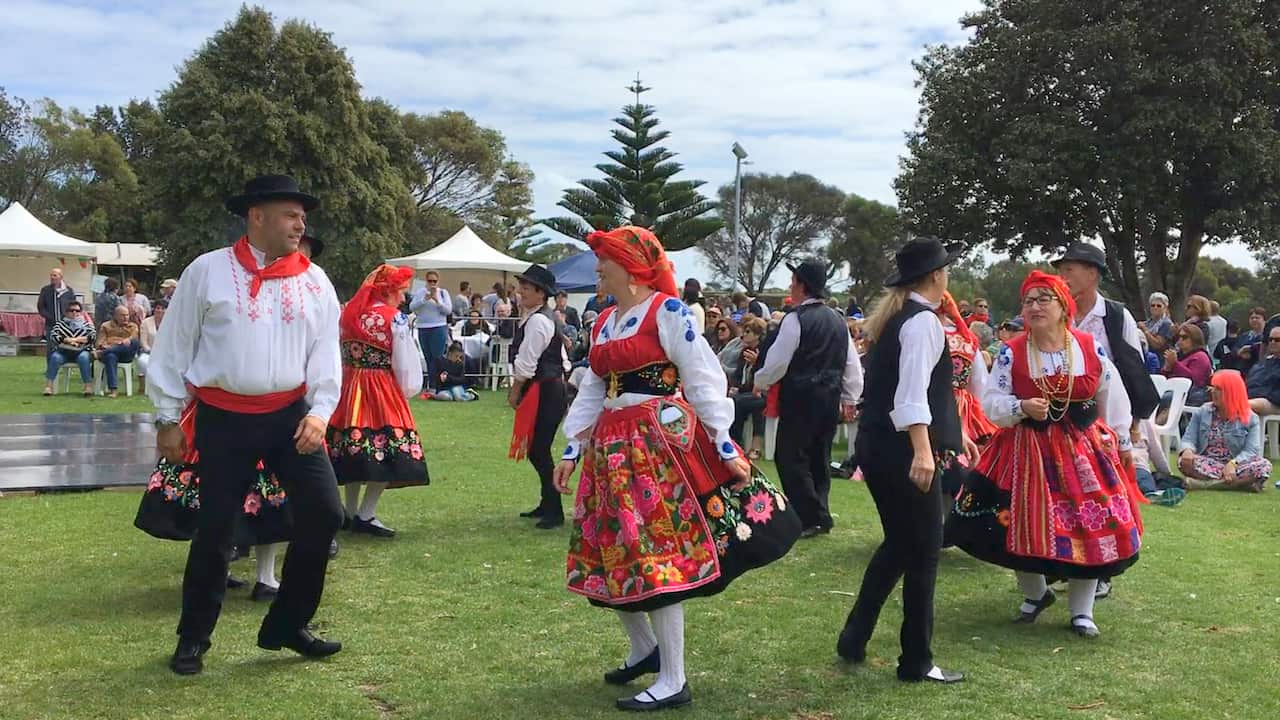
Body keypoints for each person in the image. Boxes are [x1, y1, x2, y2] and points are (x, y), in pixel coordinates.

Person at [552, 225, 800, 712]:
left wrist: (725, 443)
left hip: (656, 446)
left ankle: (673, 678)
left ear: (631, 266)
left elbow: (703, 376)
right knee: (613, 549)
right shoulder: (605, 322)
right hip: (612, 449)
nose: (598, 267)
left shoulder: (668, 312)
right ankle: (646, 649)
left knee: (656, 555)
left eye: (605, 259)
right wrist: (571, 448)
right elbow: (593, 389)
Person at [147, 174, 344, 675]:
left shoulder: (315, 280)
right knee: (216, 529)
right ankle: (193, 637)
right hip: (224, 418)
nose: (301, 224)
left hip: (291, 417)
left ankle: (287, 624)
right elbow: (174, 345)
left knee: (324, 513)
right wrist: (168, 418)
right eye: (290, 214)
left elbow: (326, 353)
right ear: (256, 216)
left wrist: (321, 412)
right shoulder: (207, 271)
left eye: (303, 216)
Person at [947, 270, 1142, 640]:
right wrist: (1021, 406)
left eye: (1043, 299)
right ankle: (1036, 594)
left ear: (1063, 307)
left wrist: (1120, 440)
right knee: (1016, 522)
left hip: (1082, 452)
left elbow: (1111, 397)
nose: (1034, 307)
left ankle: (1082, 612)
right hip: (1026, 451)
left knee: (1090, 525)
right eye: (1028, 301)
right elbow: (990, 403)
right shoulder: (1012, 351)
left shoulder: (1087, 346)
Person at [836, 238, 968, 684]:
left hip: (878, 448)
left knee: (898, 545)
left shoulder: (898, 319)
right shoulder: (922, 323)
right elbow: (910, 395)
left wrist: (952, 436)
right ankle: (916, 660)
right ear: (936, 276)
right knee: (923, 552)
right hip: (902, 451)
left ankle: (855, 637)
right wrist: (925, 451)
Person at [754, 259, 864, 539]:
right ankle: (819, 512)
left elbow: (778, 361)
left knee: (790, 456)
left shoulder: (795, 319)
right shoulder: (838, 320)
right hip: (829, 398)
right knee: (819, 456)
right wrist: (851, 396)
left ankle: (810, 516)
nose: (791, 285)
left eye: (794, 281)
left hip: (801, 397)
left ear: (802, 285)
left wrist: (760, 380)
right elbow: (851, 364)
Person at [327, 264, 428, 541]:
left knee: (353, 450)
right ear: (390, 290)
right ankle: (366, 513)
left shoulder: (348, 314)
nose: (404, 298)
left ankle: (348, 511)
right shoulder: (394, 319)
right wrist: (406, 389)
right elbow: (405, 363)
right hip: (380, 388)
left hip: (349, 388)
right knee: (388, 449)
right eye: (401, 291)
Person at [509, 264, 571, 529]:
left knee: (539, 449)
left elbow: (527, 362)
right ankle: (547, 503)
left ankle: (554, 509)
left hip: (545, 389)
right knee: (538, 449)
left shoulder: (538, 320)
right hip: (549, 386)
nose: (521, 291)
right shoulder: (540, 317)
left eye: (526, 287)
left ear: (540, 293)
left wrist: (515, 391)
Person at [937, 293, 997, 486]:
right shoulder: (967, 339)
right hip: (965, 406)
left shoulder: (927, 331)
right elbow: (979, 382)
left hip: (937, 402)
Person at [1177, 370, 1272, 492]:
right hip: (1208, 461)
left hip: (1237, 464)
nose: (1213, 391)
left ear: (1232, 392)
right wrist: (1187, 450)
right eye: (1212, 387)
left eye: (1219, 389)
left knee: (1264, 465)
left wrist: (1233, 464)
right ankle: (1241, 484)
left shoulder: (1251, 418)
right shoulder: (1202, 412)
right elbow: (1189, 438)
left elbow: (1251, 450)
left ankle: (1209, 484)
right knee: (1184, 461)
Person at [727, 316, 768, 459]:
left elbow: (766, 376)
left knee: (737, 402)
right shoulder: (744, 352)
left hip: (763, 393)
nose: (743, 335)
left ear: (757, 335)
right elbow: (738, 375)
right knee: (734, 401)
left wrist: (756, 363)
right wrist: (735, 387)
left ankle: (737, 441)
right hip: (747, 393)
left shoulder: (764, 353)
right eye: (743, 331)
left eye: (748, 332)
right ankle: (736, 442)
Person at [410, 270, 451, 391]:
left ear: (438, 281)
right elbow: (412, 306)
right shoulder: (420, 292)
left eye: (435, 281)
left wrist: (437, 301)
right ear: (426, 281)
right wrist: (424, 299)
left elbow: (448, 310)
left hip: (438, 327)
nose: (432, 283)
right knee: (428, 357)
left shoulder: (443, 293)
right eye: (430, 281)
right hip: (423, 327)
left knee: (437, 357)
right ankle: (431, 384)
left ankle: (436, 384)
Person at [43, 301, 95, 396]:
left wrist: (71, 339)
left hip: (81, 352)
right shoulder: (60, 324)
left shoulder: (86, 325)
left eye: (77, 310)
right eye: (71, 310)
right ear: (66, 312)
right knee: (55, 357)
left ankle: (88, 387)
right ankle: (48, 387)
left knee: (84, 358)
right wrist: (70, 340)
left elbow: (92, 337)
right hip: (63, 353)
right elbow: (54, 336)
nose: (74, 313)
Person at [95, 304, 140, 397]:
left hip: (126, 354)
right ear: (115, 316)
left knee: (134, 342)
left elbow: (133, 338)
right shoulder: (106, 326)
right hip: (111, 354)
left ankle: (101, 353)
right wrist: (116, 344)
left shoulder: (133, 326)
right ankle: (113, 389)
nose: (126, 317)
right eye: (122, 315)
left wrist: (125, 341)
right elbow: (100, 343)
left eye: (127, 315)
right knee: (110, 356)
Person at [1163, 323, 1213, 407]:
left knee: (1166, 398)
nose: (1180, 340)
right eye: (1179, 337)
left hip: (1192, 394)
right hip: (1173, 388)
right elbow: (1164, 378)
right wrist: (1167, 368)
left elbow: (1195, 380)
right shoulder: (1178, 355)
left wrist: (1175, 364)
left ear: (1195, 339)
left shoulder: (1201, 356)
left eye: (1185, 337)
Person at [1245, 326, 1280, 417]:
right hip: (1253, 398)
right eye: (1270, 339)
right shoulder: (1262, 363)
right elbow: (1249, 382)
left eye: (1277, 340)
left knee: (1249, 405)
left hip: (1273, 402)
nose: (1273, 342)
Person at [37, 267, 78, 342]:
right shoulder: (46, 290)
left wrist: (68, 317)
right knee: (51, 347)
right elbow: (41, 307)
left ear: (61, 277)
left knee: (65, 346)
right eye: (51, 275)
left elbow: (73, 306)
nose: (52, 277)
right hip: (51, 324)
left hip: (66, 324)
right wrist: (50, 317)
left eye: (55, 275)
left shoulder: (68, 291)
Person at [137, 298, 168, 391]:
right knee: (144, 361)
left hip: (166, 353)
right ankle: (148, 386)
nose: (160, 310)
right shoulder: (146, 322)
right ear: (154, 309)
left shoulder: (171, 322)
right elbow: (143, 342)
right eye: (158, 308)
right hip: (148, 352)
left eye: (163, 308)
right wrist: (150, 351)